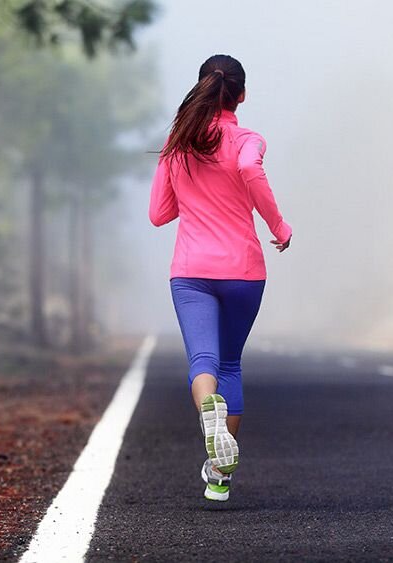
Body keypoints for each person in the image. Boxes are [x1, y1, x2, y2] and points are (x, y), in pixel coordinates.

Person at [149, 54, 292, 502]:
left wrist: (189, 188)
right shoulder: (248, 139)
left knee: (204, 363)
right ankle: (219, 473)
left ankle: (208, 417)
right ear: (242, 95)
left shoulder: (179, 143)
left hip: (191, 273)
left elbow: (158, 214)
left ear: (202, 88)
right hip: (244, 272)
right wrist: (279, 227)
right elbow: (249, 169)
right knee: (230, 363)